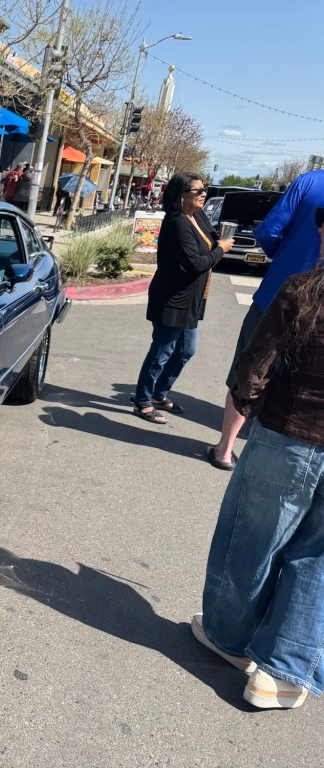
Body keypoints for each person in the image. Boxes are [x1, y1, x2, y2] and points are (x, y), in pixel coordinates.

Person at [193, 249, 324, 709]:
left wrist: (253, 411)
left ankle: (230, 639)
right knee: (317, 559)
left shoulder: (303, 291)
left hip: (287, 433)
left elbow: (253, 369)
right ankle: (281, 674)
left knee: (250, 541)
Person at [209, 169, 324, 469]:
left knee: (250, 368)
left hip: (279, 293)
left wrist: (284, 254)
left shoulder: (309, 182)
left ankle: (224, 450)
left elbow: (269, 231)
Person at [130, 173, 234, 423]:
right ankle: (142, 401)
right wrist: (221, 250)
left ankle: (159, 394)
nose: (204, 194)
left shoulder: (198, 215)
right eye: (198, 191)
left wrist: (217, 245)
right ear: (181, 195)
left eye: (204, 189)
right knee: (162, 351)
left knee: (186, 350)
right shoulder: (177, 222)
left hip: (191, 299)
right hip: (172, 298)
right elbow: (194, 263)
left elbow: (210, 243)